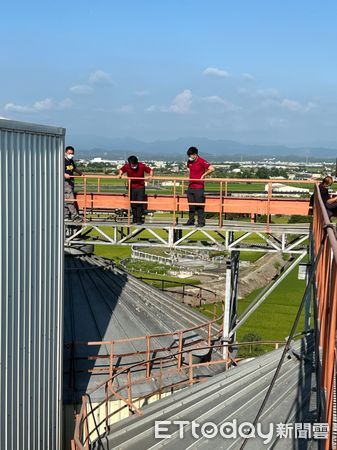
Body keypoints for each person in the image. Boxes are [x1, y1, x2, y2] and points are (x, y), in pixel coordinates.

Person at [118, 155, 153, 224]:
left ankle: (139, 219)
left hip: (140, 187)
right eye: (132, 164)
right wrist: (120, 174)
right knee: (132, 203)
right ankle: (134, 218)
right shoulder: (127, 166)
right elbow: (121, 170)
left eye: (134, 164)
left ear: (137, 163)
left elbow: (150, 170)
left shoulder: (141, 165)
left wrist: (150, 176)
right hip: (131, 186)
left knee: (139, 203)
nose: (133, 166)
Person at [185, 146, 214, 227]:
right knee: (191, 205)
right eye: (189, 156)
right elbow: (188, 168)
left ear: (195, 154)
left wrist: (203, 175)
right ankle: (191, 220)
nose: (190, 157)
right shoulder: (189, 161)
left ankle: (201, 222)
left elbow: (212, 168)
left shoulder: (201, 161)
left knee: (199, 205)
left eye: (191, 155)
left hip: (199, 187)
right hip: (191, 186)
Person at [64, 145, 83, 221]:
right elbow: (58, 170)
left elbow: (74, 168)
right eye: (69, 153)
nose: (70, 155)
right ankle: (75, 216)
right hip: (65, 183)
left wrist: (81, 173)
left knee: (66, 199)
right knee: (70, 199)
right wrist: (64, 174)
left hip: (71, 182)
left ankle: (65, 216)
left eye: (72, 153)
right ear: (65, 152)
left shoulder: (71, 161)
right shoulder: (62, 161)